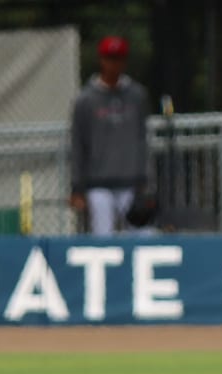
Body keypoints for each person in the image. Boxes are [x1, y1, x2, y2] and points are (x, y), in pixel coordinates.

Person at [69, 35, 151, 235]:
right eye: (109, 58)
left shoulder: (137, 95)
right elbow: (78, 144)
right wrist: (77, 188)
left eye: (119, 58)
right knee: (103, 237)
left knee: (143, 235)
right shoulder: (85, 100)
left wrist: (147, 181)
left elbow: (143, 140)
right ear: (101, 60)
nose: (114, 64)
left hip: (131, 182)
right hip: (98, 183)